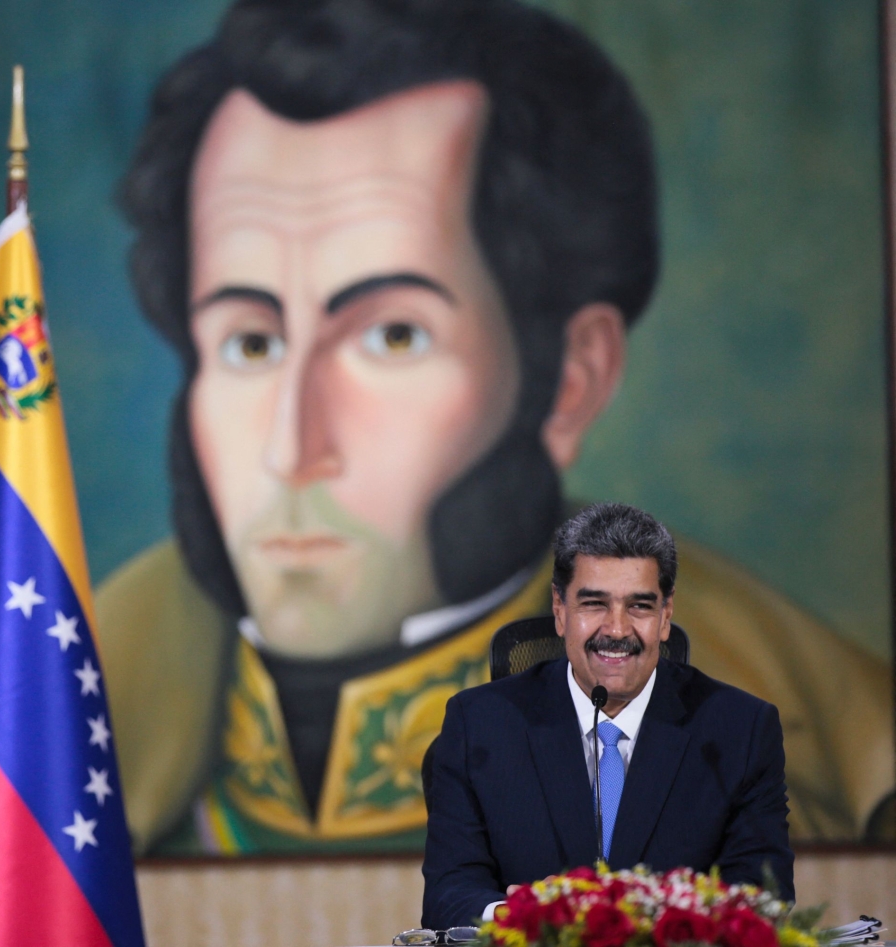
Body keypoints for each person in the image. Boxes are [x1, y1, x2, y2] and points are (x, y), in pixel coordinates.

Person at [96, 0, 893, 855]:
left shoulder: (766, 790)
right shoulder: (63, 740)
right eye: (250, 341)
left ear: (569, 379)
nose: (292, 450)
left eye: (392, 335)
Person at [421, 503, 794, 928]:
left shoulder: (738, 731)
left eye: (639, 606)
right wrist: (526, 917)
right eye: (595, 603)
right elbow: (448, 895)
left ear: (666, 616)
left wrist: (650, 923)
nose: (616, 630)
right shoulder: (481, 726)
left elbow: (764, 895)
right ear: (560, 611)